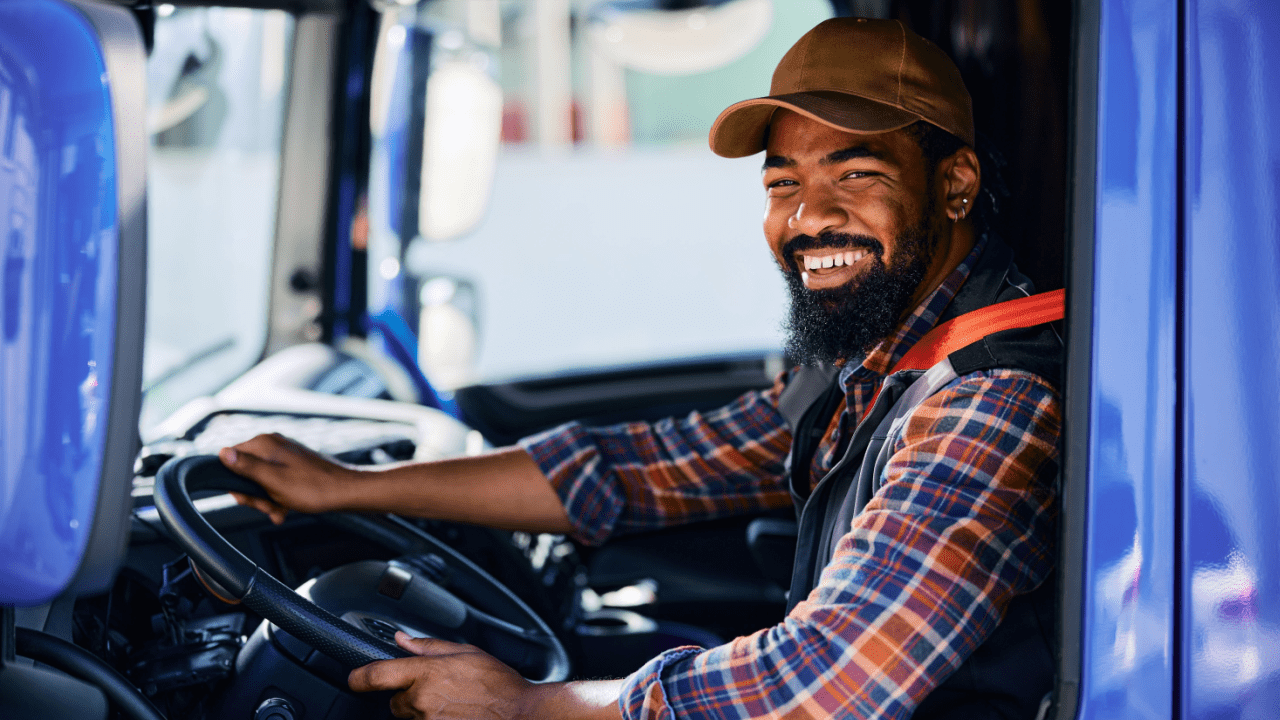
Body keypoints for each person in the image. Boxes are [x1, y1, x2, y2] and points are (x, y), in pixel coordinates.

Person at [221, 18, 1063, 720]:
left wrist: (528, 707)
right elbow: (644, 470)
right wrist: (349, 488)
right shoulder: (881, 355)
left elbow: (826, 681)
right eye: (784, 182)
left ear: (955, 186)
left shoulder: (989, 401)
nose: (809, 215)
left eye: (856, 173)